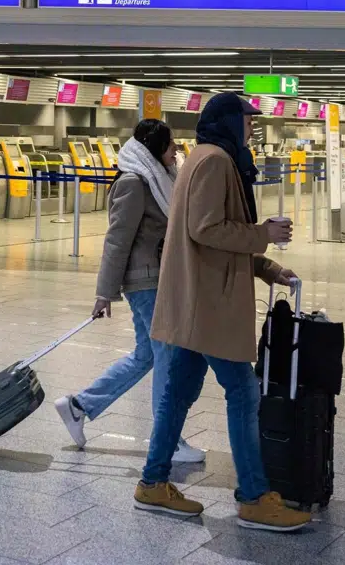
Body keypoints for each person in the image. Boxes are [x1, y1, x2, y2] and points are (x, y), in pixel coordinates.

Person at [133, 93, 311, 533]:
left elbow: (214, 235)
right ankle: (253, 496)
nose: (252, 126)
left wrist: (266, 268)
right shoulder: (214, 161)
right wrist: (262, 234)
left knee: (178, 392)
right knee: (243, 393)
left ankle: (153, 482)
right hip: (209, 302)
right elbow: (206, 228)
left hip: (199, 299)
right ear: (227, 121)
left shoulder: (207, 157)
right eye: (246, 120)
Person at [54, 119, 204, 464]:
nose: (175, 151)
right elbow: (117, 239)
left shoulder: (160, 177)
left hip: (158, 277)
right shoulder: (134, 182)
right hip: (146, 281)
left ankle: (79, 406)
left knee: (146, 355)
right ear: (155, 148)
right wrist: (104, 293)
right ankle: (168, 439)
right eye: (170, 145)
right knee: (167, 355)